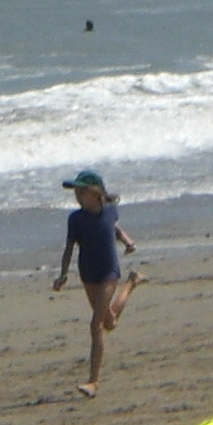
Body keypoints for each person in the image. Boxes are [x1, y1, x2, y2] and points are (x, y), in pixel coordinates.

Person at [49, 168, 140, 395]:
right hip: (88, 274)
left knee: (95, 325)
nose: (77, 196)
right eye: (76, 192)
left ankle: (93, 382)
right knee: (109, 323)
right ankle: (132, 283)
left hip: (109, 272)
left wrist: (127, 241)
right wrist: (63, 275)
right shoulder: (76, 219)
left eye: (82, 191)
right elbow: (69, 248)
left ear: (95, 192)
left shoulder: (110, 211)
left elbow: (114, 228)